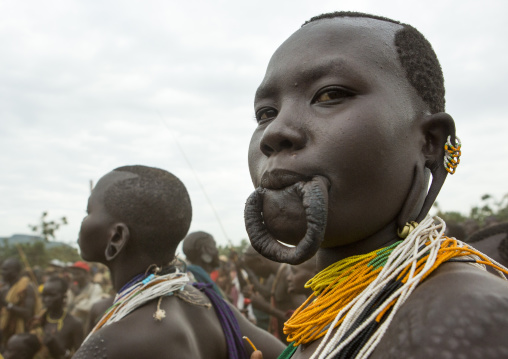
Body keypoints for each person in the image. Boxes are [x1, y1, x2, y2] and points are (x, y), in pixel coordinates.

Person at [244, 11, 508, 359]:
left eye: (329, 95)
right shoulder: (328, 315)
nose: (275, 132)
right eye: (266, 113)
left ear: (430, 142)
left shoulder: (471, 315)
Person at [72, 165, 284, 359]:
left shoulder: (111, 344)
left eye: (88, 212)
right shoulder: (209, 304)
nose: (83, 221)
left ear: (117, 238)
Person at [31, 276, 83, 359]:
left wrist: (61, 351)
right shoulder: (37, 321)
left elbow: (82, 356)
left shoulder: (74, 323)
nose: (46, 299)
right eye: (44, 295)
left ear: (64, 296)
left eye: (52, 295)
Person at [0, 258, 40, 349]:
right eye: (2, 269)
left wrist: (7, 305)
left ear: (15, 272)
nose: (2, 272)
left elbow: (27, 313)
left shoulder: (26, 289)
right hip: (5, 335)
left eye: (5, 269)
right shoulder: (4, 289)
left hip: (22, 336)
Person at [182, 231, 223, 297]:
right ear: (205, 250)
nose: (217, 251)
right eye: (214, 246)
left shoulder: (192, 279)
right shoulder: (199, 287)